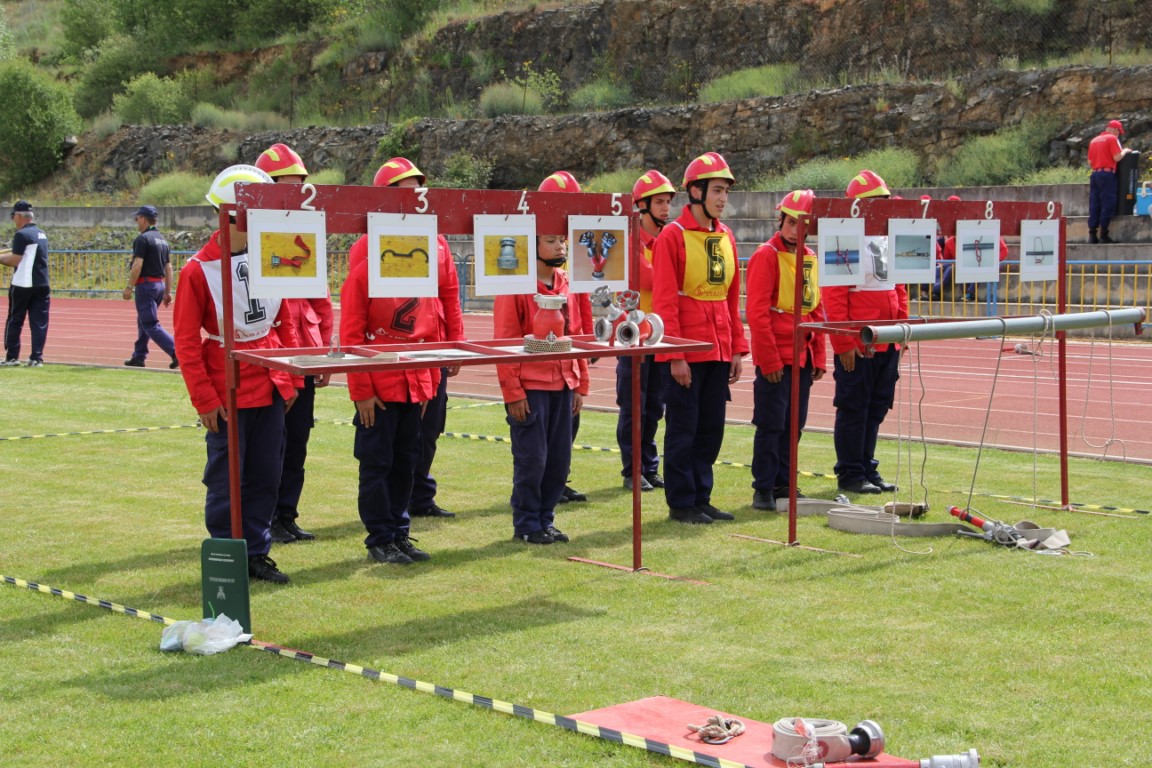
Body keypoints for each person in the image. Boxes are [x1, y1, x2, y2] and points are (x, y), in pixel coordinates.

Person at [173, 165, 300, 584]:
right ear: (225, 215)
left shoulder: (272, 256)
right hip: (227, 390)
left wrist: (291, 377)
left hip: (270, 383)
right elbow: (188, 342)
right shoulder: (197, 270)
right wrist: (205, 399)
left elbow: (286, 321)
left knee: (266, 475)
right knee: (227, 480)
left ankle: (258, 554)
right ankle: (229, 557)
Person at [341, 158, 444, 565]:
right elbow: (350, 336)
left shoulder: (426, 268)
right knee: (377, 464)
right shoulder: (363, 272)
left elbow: (430, 327)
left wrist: (426, 385)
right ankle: (379, 537)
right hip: (379, 390)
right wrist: (362, 392)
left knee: (407, 461)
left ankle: (400, 532)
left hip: (412, 384)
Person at [363, 157, 466, 520]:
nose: (416, 198)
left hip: (432, 349)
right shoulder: (370, 243)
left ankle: (419, 495)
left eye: (419, 191)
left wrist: (456, 342)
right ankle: (397, 506)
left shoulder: (436, 241)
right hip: (395, 355)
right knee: (400, 435)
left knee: (431, 426)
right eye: (408, 192)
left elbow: (450, 294)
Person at [651, 152, 749, 524]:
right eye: (718, 190)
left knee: (711, 428)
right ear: (696, 191)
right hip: (686, 352)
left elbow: (730, 296)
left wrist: (738, 349)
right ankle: (681, 502)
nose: (723, 199)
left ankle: (701, 497)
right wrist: (675, 355)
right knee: (683, 428)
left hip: (719, 348)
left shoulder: (726, 235)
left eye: (726, 191)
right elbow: (664, 301)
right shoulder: (672, 237)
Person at [493, 201, 590, 544]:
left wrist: (580, 384)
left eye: (562, 240)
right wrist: (513, 392)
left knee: (559, 461)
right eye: (551, 240)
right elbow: (504, 341)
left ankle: (546, 519)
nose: (561, 246)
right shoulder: (515, 283)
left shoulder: (567, 282)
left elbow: (575, 335)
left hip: (564, 383)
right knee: (532, 459)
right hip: (531, 387)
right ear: (532, 245)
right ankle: (527, 524)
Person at [254, 143, 335, 544]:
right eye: (287, 189)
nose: (296, 197)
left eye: (299, 188)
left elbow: (321, 303)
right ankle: (263, 517)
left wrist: (322, 354)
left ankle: (285, 515)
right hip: (269, 360)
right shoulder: (249, 241)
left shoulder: (304, 239)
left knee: (297, 443)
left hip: (304, 354)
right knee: (270, 448)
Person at [823, 170, 908, 495]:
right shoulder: (843, 239)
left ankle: (867, 467)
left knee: (876, 406)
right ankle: (850, 473)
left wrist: (901, 329)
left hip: (886, 342)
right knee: (854, 407)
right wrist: (844, 341)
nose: (883, 209)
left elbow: (898, 286)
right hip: (859, 343)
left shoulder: (887, 239)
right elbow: (834, 295)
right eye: (877, 203)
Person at [745, 189, 827, 511]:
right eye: (791, 222)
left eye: (802, 224)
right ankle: (763, 489)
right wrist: (768, 359)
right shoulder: (766, 255)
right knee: (771, 425)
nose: (795, 229)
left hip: (802, 358)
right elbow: (757, 312)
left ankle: (784, 483)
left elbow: (815, 309)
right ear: (781, 220)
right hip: (778, 358)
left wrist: (819, 356)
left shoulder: (810, 257)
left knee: (795, 426)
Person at [615, 169, 674, 492]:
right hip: (634, 335)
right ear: (642, 206)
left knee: (654, 407)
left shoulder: (665, 239)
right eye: (660, 202)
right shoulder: (630, 242)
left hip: (658, 335)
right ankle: (631, 470)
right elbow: (652, 279)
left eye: (668, 202)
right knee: (633, 406)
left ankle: (649, 467)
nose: (666, 209)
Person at [538, 170, 592, 505]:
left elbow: (580, 306)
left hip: (569, 366)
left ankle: (559, 481)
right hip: (540, 372)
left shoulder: (571, 262)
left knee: (566, 432)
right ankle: (541, 493)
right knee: (540, 440)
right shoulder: (527, 275)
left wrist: (584, 348)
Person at [122, 205, 178, 369]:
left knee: (150, 323)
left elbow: (138, 264)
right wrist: (168, 291)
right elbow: (169, 268)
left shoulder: (142, 239)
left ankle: (176, 351)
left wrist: (129, 287)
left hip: (146, 286)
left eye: (137, 218)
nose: (136, 222)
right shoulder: (162, 240)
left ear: (144, 219)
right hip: (159, 285)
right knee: (143, 321)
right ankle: (139, 356)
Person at [0, 201, 50, 367]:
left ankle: (12, 357)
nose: (14, 219)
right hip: (42, 283)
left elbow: (15, 259)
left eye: (14, 216)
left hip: (23, 283)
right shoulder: (41, 233)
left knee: (15, 320)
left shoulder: (22, 235)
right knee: (39, 322)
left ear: (20, 216)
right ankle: (36, 358)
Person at [1087, 119, 1133, 244]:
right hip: (1107, 175)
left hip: (1095, 174)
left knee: (1094, 203)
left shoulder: (1094, 140)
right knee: (1108, 203)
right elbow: (1117, 157)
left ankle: (1092, 235)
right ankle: (1104, 234)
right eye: (1118, 132)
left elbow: (1090, 162)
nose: (1118, 134)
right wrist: (1125, 151)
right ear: (1114, 129)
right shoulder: (1112, 139)